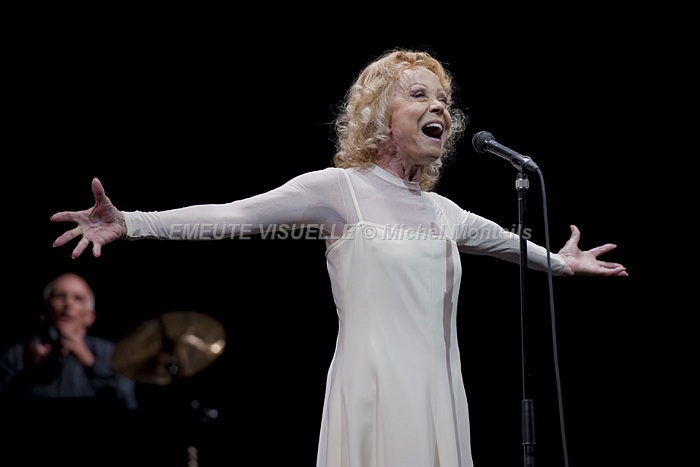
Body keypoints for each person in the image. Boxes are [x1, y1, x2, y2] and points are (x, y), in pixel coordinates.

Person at [49, 49, 627, 467]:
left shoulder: (445, 212)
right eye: (419, 94)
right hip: (372, 385)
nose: (439, 108)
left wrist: (562, 263)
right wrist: (132, 222)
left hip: (438, 390)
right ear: (380, 114)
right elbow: (234, 215)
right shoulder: (339, 190)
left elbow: (513, 246)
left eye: (444, 101)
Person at [0, 272, 138, 411]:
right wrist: (28, 373)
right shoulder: (19, 354)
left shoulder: (110, 354)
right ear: (45, 308)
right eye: (60, 296)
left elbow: (127, 401)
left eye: (78, 298)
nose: (68, 304)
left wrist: (89, 362)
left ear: (90, 316)